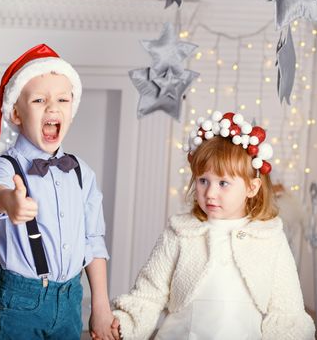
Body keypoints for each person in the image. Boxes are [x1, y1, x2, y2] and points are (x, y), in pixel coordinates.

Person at [109, 111, 315, 340]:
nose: (210, 193)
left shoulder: (268, 237)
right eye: (203, 180)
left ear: (252, 187)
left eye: (223, 183)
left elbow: (286, 308)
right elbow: (149, 292)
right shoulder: (181, 232)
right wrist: (125, 324)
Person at [0, 44, 117, 340]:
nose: (53, 108)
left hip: (70, 299)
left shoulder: (82, 172)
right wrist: (10, 202)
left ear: (71, 109)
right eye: (39, 100)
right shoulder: (8, 166)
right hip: (20, 302)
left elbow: (93, 240)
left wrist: (100, 306)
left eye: (63, 99)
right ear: (16, 113)